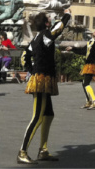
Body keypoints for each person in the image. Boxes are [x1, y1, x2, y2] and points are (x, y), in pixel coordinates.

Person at [19, 10, 72, 165]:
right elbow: (59, 28)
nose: (51, 20)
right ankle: (22, 152)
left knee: (48, 115)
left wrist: (30, 69)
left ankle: (43, 150)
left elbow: (25, 56)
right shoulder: (46, 35)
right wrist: (67, 15)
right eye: (49, 19)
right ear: (47, 23)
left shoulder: (36, 37)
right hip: (41, 80)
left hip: (41, 77)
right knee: (37, 117)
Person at [80, 28, 95, 110]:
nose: (94, 32)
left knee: (86, 83)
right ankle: (88, 101)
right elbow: (82, 51)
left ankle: (94, 101)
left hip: (92, 65)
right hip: (87, 64)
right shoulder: (90, 42)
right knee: (84, 83)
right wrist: (72, 49)